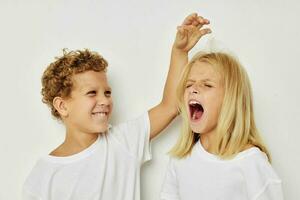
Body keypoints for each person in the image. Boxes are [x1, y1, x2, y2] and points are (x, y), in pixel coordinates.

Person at [23, 13, 211, 200]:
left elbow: (171, 106)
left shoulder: (123, 142)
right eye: (91, 93)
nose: (104, 101)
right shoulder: (43, 177)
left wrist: (180, 52)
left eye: (107, 92)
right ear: (62, 106)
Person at [160, 51, 284, 200]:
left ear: (231, 99)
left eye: (207, 85)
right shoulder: (180, 160)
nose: (193, 89)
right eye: (188, 84)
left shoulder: (251, 162)